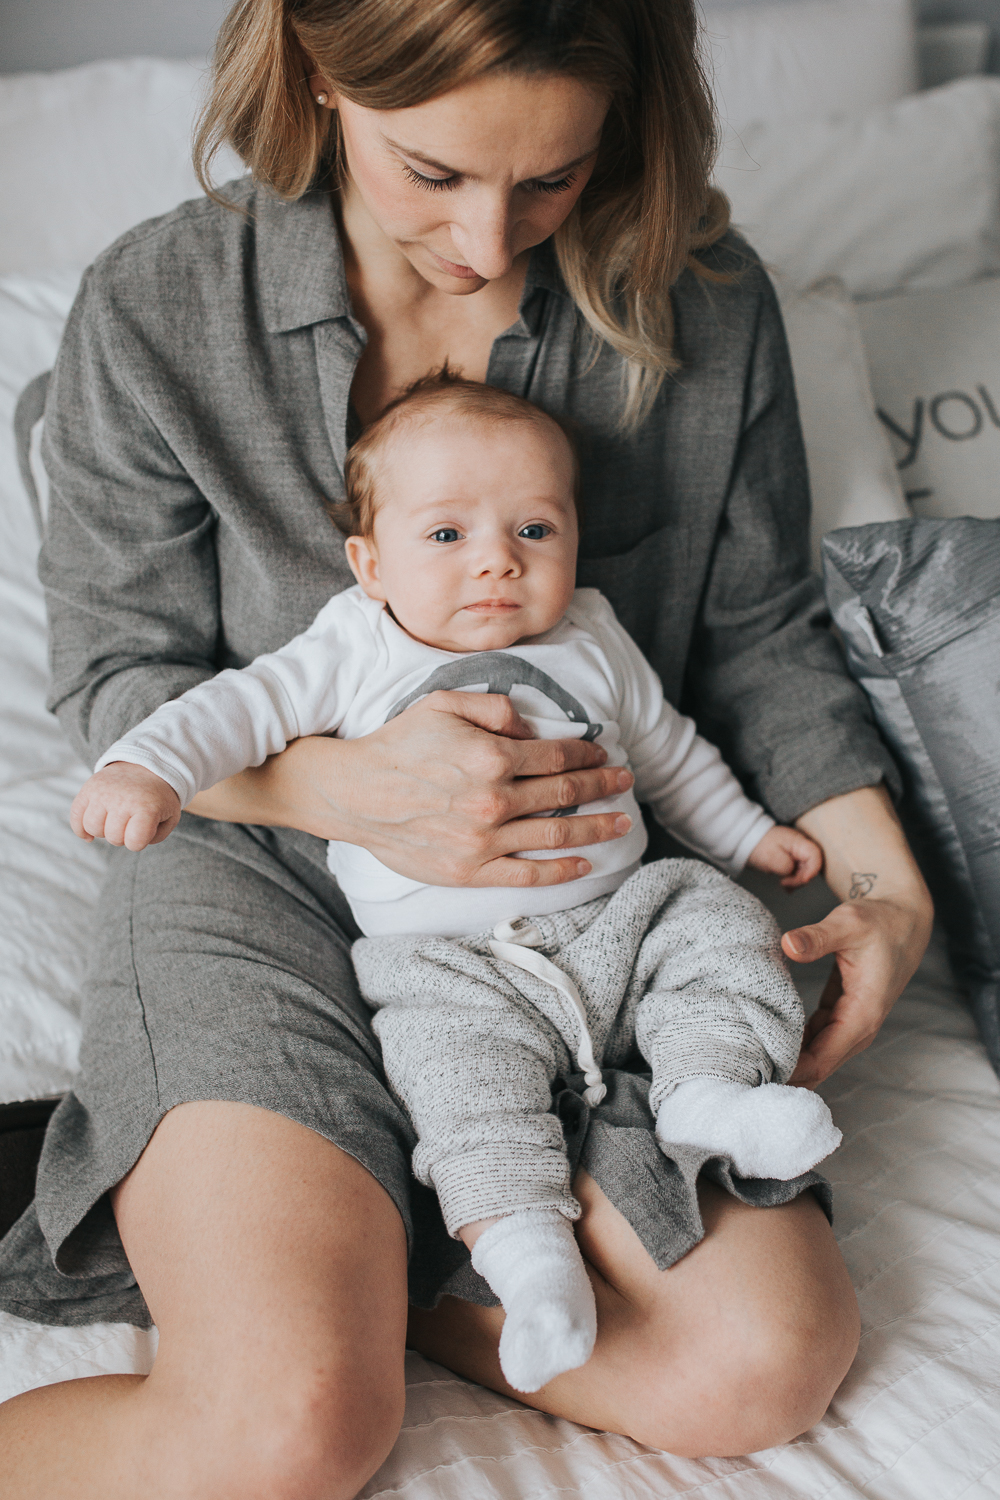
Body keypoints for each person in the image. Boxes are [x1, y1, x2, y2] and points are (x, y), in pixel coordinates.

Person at [0, 0, 932, 1493]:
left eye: (553, 177)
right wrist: (350, 791)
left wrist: (889, 893)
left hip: (584, 911)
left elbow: (755, 641)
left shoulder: (703, 299)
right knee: (290, 1427)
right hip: (261, 889)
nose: (492, 240)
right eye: (431, 171)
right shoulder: (162, 302)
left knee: (762, 1360)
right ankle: (311, 1266)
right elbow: (121, 676)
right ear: (317, 73)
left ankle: (381, 1251)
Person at [69, 372, 843, 1394]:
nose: (495, 560)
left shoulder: (595, 637)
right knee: (463, 1095)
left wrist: (746, 833)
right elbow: (232, 711)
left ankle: (709, 1093)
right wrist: (145, 768)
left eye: (533, 529)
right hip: (444, 967)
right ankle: (530, 1265)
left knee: (716, 924)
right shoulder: (352, 645)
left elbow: (667, 753)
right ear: (368, 561)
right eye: (446, 537)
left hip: (616, 917)